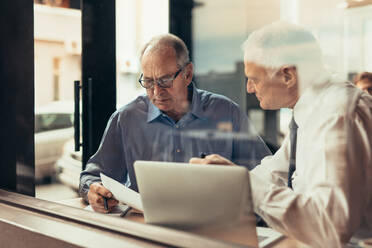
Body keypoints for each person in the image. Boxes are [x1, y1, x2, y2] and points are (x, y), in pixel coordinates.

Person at [190, 21, 372, 246]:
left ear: (287, 75)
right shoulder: (310, 109)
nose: (248, 88)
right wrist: (225, 183)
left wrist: (243, 184)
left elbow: (329, 227)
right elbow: (276, 171)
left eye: (254, 79)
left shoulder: (337, 114)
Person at [79, 34, 271, 213]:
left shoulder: (227, 113)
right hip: (144, 229)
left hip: (214, 227)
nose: (156, 92)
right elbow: (91, 177)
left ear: (188, 73)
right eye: (148, 82)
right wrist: (93, 192)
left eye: (165, 81)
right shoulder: (126, 118)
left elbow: (267, 177)